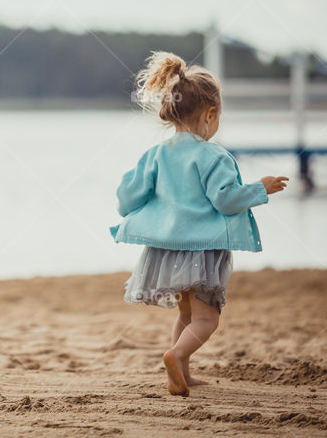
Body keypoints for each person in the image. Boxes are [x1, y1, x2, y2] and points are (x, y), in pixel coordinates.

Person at [110, 51, 288, 396]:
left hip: (165, 251)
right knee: (207, 319)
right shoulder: (214, 155)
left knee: (186, 313)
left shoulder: (155, 155)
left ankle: (181, 371)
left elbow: (126, 201)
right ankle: (176, 355)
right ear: (210, 114)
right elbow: (225, 199)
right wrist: (259, 189)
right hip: (202, 251)